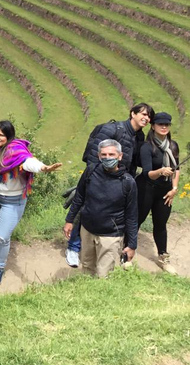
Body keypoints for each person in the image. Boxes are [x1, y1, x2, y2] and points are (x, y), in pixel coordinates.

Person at [0, 121, 62, 287]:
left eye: (1, 135)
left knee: (2, 236)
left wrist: (43, 168)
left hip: (13, 201)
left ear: (9, 136)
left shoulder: (16, 150)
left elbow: (28, 162)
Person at [66, 103, 153, 267]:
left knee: (110, 214)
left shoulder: (139, 137)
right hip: (99, 177)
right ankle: (73, 247)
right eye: (143, 114)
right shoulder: (112, 129)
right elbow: (94, 154)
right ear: (132, 114)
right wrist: (93, 178)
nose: (146, 118)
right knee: (87, 209)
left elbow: (133, 161)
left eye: (149, 116)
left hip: (119, 181)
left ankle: (110, 249)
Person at [63, 140, 138, 277]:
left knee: (104, 275)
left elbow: (132, 215)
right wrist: (69, 220)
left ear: (120, 156)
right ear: (99, 156)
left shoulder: (128, 182)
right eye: (104, 154)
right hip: (87, 230)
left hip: (111, 236)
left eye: (111, 154)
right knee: (86, 268)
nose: (107, 157)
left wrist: (132, 244)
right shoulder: (91, 171)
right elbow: (79, 196)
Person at [137, 112, 180, 274]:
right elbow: (147, 173)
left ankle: (163, 257)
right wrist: (161, 171)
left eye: (167, 125)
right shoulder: (147, 147)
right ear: (153, 126)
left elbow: (177, 169)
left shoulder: (173, 145)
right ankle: (126, 253)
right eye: (160, 124)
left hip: (165, 191)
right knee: (137, 220)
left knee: (161, 225)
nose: (163, 127)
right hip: (147, 188)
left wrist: (174, 189)